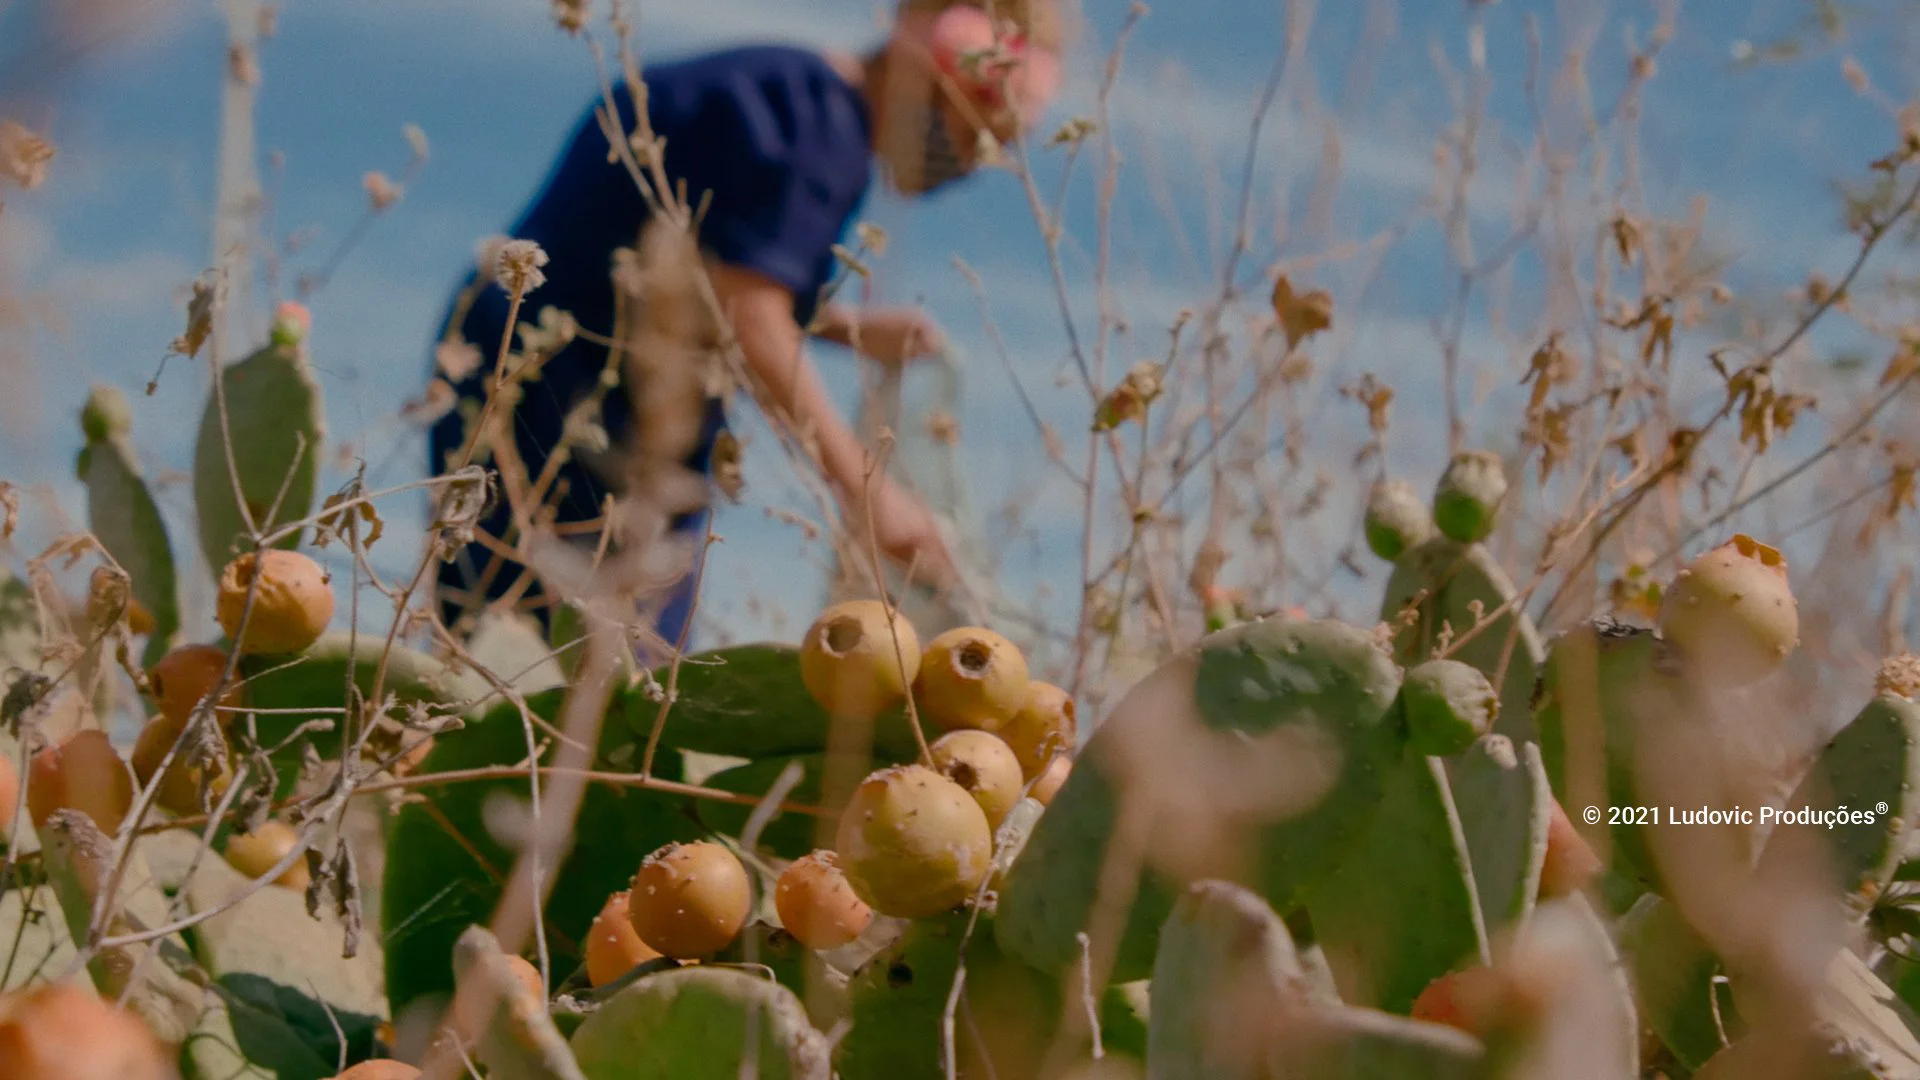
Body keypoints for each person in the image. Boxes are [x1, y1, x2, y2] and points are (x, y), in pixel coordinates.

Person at [425, 0, 1069, 658]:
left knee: (563, 654)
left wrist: (845, 329)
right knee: (566, 663)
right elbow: (751, 314)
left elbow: (726, 276)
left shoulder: (789, 98)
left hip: (571, 386)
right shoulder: (812, 125)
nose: (970, 163)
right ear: (936, 72)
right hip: (562, 401)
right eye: (977, 135)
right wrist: (869, 495)